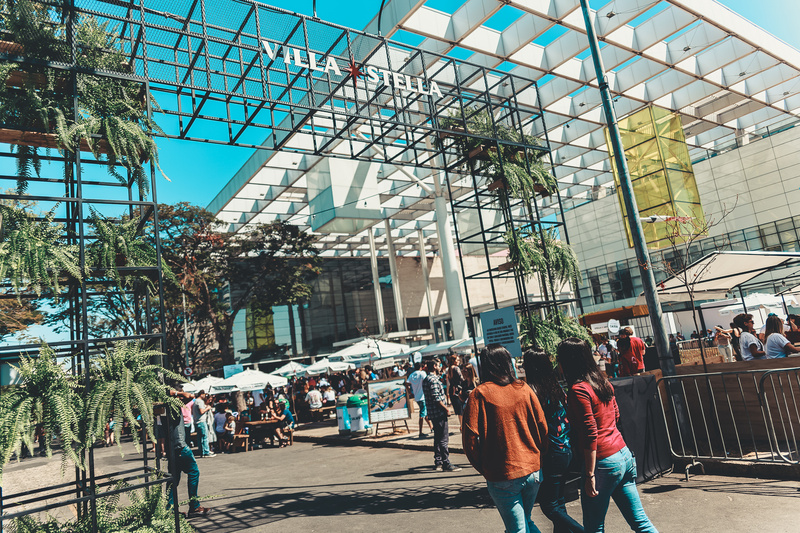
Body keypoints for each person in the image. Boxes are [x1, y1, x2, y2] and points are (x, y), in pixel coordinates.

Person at [557, 338, 657, 533]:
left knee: (594, 528)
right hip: (623, 455)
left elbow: (590, 433)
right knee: (641, 523)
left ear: (568, 361)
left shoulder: (578, 390)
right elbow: (616, 416)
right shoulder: (602, 382)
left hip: (603, 462)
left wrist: (589, 474)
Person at [462, 345, 548, 533]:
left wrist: (483, 467)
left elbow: (469, 441)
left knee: (517, 528)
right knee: (525, 522)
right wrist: (539, 457)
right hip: (533, 470)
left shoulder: (479, 394)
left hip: (503, 474)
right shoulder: (523, 388)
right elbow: (543, 427)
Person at [523, 349, 584, 533]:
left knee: (549, 506)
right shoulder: (555, 385)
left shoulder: (532, 391)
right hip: (566, 449)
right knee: (559, 502)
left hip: (551, 452)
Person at [166, 389, 210, 517]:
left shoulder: (163, 406)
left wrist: (174, 394)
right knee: (193, 472)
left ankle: (170, 509)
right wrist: (176, 393)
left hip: (172, 448)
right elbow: (189, 396)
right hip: (180, 446)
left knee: (174, 478)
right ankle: (194, 506)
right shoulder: (173, 404)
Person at [422, 359, 460, 472]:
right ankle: (446, 462)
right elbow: (436, 398)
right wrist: (446, 409)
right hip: (438, 413)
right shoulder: (433, 380)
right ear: (434, 366)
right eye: (438, 365)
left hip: (433, 413)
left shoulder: (426, 379)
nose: (440, 367)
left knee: (438, 438)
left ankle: (438, 462)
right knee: (443, 439)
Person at [407, 362, 432, 438]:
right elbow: (427, 381)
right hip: (423, 396)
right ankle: (420, 432)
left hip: (417, 398)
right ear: (421, 367)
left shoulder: (411, 375)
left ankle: (431, 427)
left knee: (425, 413)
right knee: (422, 415)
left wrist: (410, 393)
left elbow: (407, 383)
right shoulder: (422, 374)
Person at [192, 391, 216, 458]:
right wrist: (207, 408)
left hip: (196, 421)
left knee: (200, 438)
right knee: (205, 437)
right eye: (204, 395)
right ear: (201, 395)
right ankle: (206, 452)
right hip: (201, 421)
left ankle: (202, 452)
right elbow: (201, 411)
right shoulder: (200, 401)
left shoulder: (195, 401)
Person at [447, 354, 465, 427]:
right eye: (457, 360)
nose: (458, 361)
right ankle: (463, 425)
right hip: (458, 389)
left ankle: (461, 425)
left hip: (452, 390)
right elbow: (461, 378)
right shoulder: (456, 368)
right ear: (453, 361)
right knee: (462, 408)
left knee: (458, 410)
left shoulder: (449, 369)